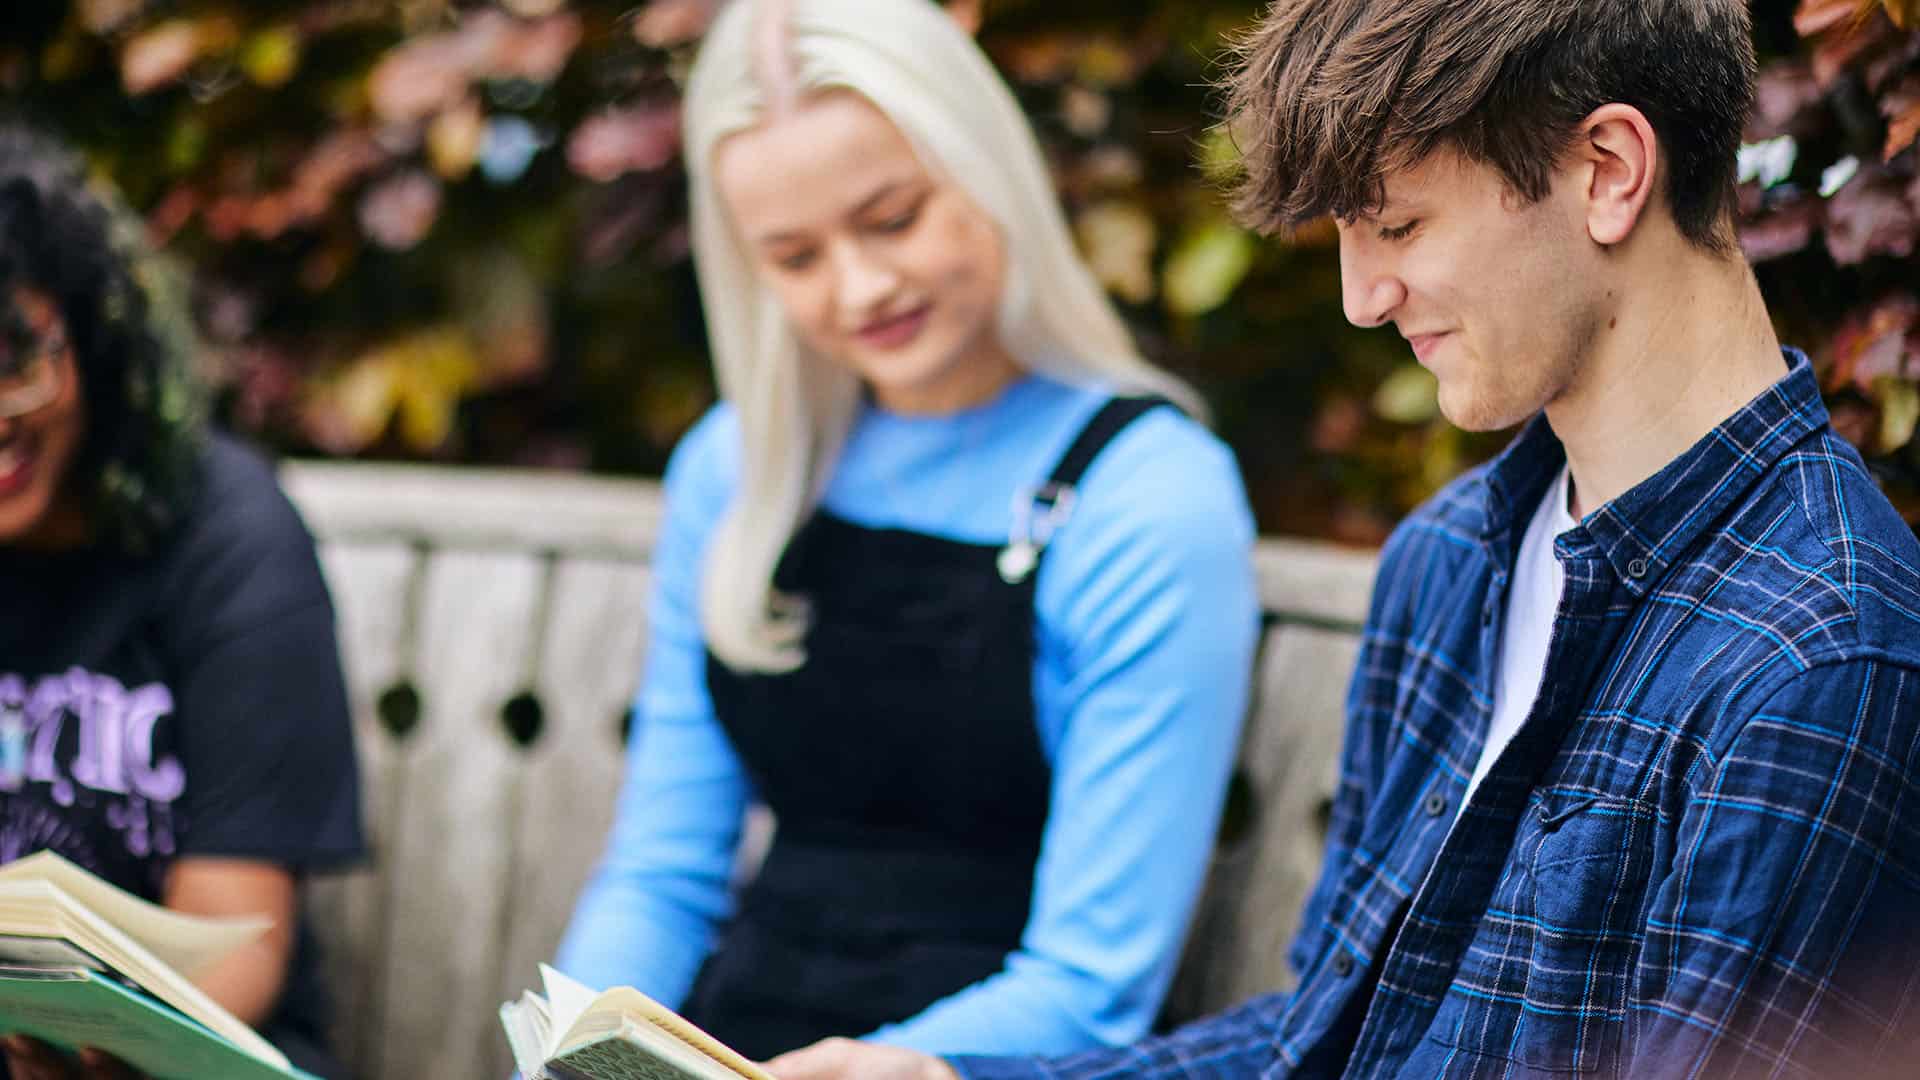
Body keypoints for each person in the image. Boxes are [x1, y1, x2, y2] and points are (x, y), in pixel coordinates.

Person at [764, 1, 1920, 1078]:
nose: (1362, 296)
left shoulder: (1821, 661)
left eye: (1398, 225)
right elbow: (1327, 1029)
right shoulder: (1453, 555)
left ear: (1607, 172)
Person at [552, 0, 1260, 1060]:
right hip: (737, 1039)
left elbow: (1090, 984)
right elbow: (662, 872)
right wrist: (569, 1042)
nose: (861, 287)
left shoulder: (1147, 498)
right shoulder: (737, 467)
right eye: (793, 258)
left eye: (893, 218)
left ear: (986, 169)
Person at [0, 122, 364, 1079]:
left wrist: (95, 1045)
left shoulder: (229, 538)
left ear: (91, 335)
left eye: (14, 358)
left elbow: (238, 941)